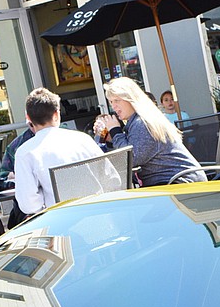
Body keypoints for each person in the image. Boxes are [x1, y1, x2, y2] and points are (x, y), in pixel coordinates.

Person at [96, 77, 206, 185]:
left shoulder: (142, 123)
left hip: (180, 183)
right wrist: (111, 139)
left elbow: (131, 159)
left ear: (131, 99)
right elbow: (126, 164)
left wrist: (115, 131)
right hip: (170, 182)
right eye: (111, 102)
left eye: (117, 100)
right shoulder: (137, 121)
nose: (113, 106)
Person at [13, 87, 103, 215]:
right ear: (56, 114)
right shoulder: (83, 139)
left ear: (28, 118)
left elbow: (29, 205)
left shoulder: (25, 152)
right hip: (98, 214)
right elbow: (112, 179)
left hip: (60, 221)